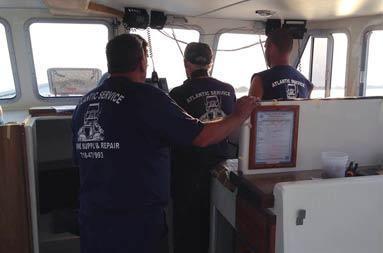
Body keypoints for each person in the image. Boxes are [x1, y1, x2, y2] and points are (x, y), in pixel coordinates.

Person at [72, 34, 257, 253]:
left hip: (92, 219)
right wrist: (237, 115)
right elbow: (202, 136)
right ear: (142, 62)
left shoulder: (84, 104)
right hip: (136, 225)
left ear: (110, 62)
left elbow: (81, 159)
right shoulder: (148, 97)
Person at [169, 42, 236, 253]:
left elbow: (173, 134)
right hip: (223, 169)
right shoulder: (228, 90)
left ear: (186, 64)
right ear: (210, 62)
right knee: (218, 224)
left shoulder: (178, 93)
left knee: (188, 228)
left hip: (189, 172)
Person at [249, 28, 314, 100]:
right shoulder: (307, 84)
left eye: (266, 47)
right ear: (290, 49)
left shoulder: (259, 80)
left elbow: (249, 110)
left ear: (271, 47)